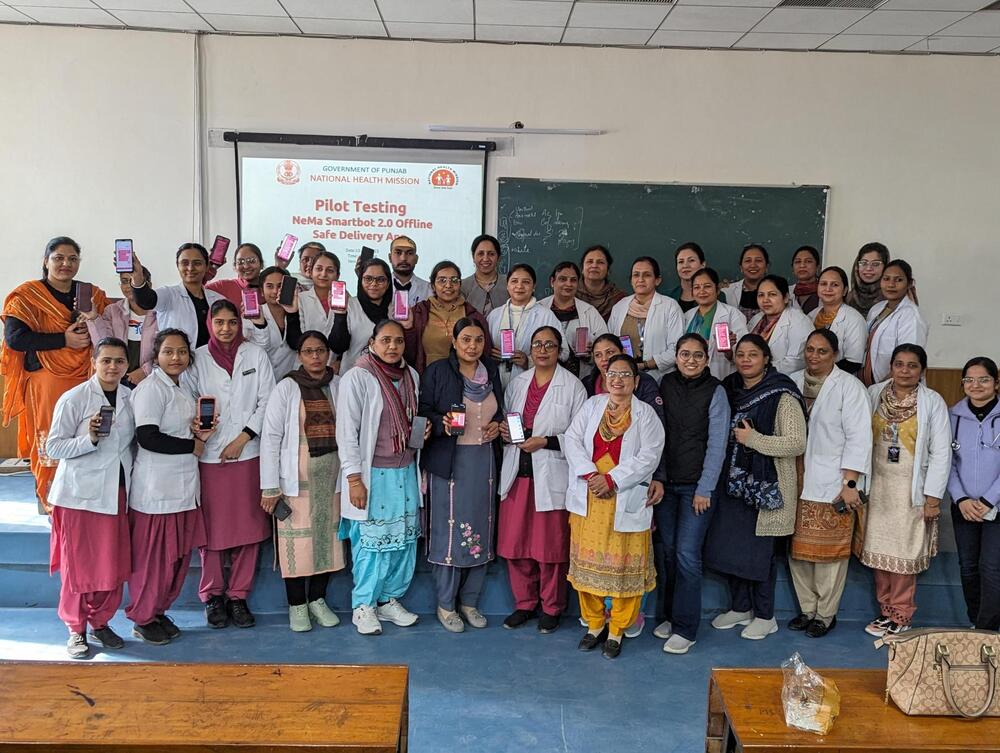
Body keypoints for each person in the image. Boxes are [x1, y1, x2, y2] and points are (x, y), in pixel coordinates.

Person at [704, 334, 806, 641]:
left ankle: (765, 615)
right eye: (741, 355)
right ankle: (740, 607)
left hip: (767, 487)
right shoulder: (730, 389)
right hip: (733, 484)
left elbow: (796, 442)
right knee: (733, 547)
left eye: (753, 354)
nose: (746, 360)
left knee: (760, 554)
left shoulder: (782, 394)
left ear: (766, 359)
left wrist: (754, 440)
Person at [563, 354, 664, 659]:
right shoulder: (592, 405)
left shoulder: (646, 415)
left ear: (636, 381)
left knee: (623, 569)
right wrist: (592, 474)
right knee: (587, 565)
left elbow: (650, 456)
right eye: (612, 374)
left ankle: (618, 629)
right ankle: (594, 625)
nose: (617, 380)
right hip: (590, 496)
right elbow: (572, 439)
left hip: (624, 496)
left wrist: (613, 479)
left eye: (625, 375)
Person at [2, 237, 110, 512]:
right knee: (52, 436)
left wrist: (94, 319)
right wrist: (63, 340)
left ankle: (84, 499)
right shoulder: (27, 296)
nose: (65, 264)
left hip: (87, 377)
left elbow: (109, 332)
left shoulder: (92, 294)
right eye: (59, 257)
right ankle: (51, 501)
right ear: (45, 260)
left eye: (72, 258)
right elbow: (15, 339)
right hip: (46, 380)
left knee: (87, 434)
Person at [45, 337, 134, 658]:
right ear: (94, 362)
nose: (112, 367)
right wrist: (90, 438)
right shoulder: (75, 398)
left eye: (119, 361)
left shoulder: (130, 397)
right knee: (79, 567)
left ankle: (100, 622)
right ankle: (75, 629)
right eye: (106, 360)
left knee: (113, 564)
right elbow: (53, 447)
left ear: (127, 366)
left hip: (116, 494)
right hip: (79, 498)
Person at [337, 320, 426, 635]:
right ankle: (363, 605)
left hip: (405, 471)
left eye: (398, 341)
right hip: (373, 474)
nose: (392, 347)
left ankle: (388, 600)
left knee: (403, 542)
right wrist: (353, 479)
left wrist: (420, 432)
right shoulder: (358, 377)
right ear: (372, 342)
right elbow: (347, 432)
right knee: (372, 544)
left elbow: (409, 421)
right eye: (386, 340)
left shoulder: (411, 376)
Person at [190, 300, 275, 630]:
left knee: (248, 530)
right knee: (211, 532)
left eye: (232, 322)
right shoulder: (196, 358)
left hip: (249, 453)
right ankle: (212, 596)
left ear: (241, 324)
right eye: (219, 322)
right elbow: (189, 401)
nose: (226, 328)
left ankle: (238, 596)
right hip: (209, 456)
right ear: (210, 323)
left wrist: (243, 438)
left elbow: (268, 399)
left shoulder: (255, 355)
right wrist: (202, 432)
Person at [498, 326, 587, 634]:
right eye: (537, 344)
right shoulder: (518, 382)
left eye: (550, 344)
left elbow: (580, 437)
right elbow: (507, 421)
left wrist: (545, 441)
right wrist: (505, 432)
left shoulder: (573, 386)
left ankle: (551, 607)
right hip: (518, 473)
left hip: (551, 475)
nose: (543, 350)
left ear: (559, 350)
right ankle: (524, 604)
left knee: (550, 549)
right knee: (516, 545)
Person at [419, 318, 505, 632]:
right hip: (449, 463)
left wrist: (497, 424)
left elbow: (499, 410)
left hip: (484, 463)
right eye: (466, 339)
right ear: (454, 342)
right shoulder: (439, 372)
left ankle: (469, 602)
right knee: (450, 533)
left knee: (482, 529)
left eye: (478, 340)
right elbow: (421, 410)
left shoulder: (491, 372)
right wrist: (438, 422)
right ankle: (446, 605)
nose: (472, 346)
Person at [126, 329, 209, 645]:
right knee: (153, 561)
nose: (176, 358)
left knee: (175, 560)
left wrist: (197, 434)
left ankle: (158, 611)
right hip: (156, 491)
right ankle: (143, 617)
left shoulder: (182, 387)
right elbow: (147, 437)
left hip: (184, 487)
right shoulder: (150, 390)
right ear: (156, 356)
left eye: (182, 352)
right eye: (169, 352)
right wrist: (191, 446)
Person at [787, 330, 872, 638]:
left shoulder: (850, 387)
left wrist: (850, 482)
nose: (814, 355)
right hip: (795, 480)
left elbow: (859, 439)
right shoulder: (792, 381)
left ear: (834, 354)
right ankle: (807, 609)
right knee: (798, 553)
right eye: (810, 349)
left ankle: (826, 614)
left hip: (832, 483)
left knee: (829, 555)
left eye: (822, 351)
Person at [861, 344, 950, 636]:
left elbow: (940, 453)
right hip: (878, 487)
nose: (905, 370)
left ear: (922, 370)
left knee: (903, 554)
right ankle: (885, 611)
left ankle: (902, 613)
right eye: (899, 364)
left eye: (912, 365)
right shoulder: (874, 394)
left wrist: (933, 497)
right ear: (891, 367)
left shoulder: (932, 401)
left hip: (910, 490)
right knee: (878, 551)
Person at [260, 331, 345, 633]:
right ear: (299, 355)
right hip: (295, 482)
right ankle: (297, 605)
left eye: (320, 350)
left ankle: (318, 600)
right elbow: (270, 437)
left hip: (331, 480)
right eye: (308, 351)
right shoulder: (286, 388)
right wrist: (270, 486)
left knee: (327, 543)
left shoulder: (338, 384)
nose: (315, 357)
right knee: (296, 545)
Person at [654, 334, 730, 654]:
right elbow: (655, 432)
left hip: (696, 490)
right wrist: (657, 477)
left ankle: (686, 628)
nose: (690, 360)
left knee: (687, 554)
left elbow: (717, 444)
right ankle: (671, 617)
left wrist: (705, 488)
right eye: (685, 354)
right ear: (676, 356)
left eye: (698, 356)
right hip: (666, 485)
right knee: (668, 553)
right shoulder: (664, 385)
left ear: (707, 359)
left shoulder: (716, 391)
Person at [948, 357, 1000, 631]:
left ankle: (987, 630)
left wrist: (989, 500)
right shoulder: (952, 416)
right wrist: (961, 499)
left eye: (984, 379)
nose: (975, 385)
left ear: (996, 383)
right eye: (969, 379)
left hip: (997, 506)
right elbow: (947, 462)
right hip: (964, 506)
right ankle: (976, 622)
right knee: (968, 567)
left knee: (990, 568)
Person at [403, 260, 491, 374]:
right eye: (442, 280)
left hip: (464, 379)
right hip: (428, 378)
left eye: (454, 280)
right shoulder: (419, 312)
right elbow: (408, 353)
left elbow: (485, 351)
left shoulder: (473, 315)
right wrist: (408, 328)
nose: (448, 285)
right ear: (433, 286)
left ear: (460, 285)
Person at [487, 263, 566, 389]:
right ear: (507, 285)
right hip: (495, 382)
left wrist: (529, 361)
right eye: (514, 281)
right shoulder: (494, 316)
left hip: (531, 382)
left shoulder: (545, 315)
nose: (519, 286)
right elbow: (482, 349)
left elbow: (563, 353)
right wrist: (490, 356)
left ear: (534, 286)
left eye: (526, 282)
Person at [130, 245, 224, 349]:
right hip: (177, 362)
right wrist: (137, 277)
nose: (190, 268)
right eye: (184, 263)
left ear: (206, 266)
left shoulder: (218, 300)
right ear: (177, 265)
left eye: (197, 263)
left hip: (210, 362)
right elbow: (146, 300)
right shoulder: (169, 295)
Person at [608, 256, 685, 382]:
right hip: (624, 377)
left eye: (647, 275)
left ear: (657, 280)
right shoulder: (620, 307)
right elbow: (610, 343)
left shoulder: (670, 306)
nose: (640, 280)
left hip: (659, 378)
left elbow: (678, 348)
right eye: (636, 275)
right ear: (631, 280)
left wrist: (645, 365)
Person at [85, 272, 158, 390]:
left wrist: (145, 371)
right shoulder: (113, 311)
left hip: (151, 381)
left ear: (148, 285)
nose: (129, 286)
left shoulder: (161, 313)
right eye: (124, 281)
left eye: (134, 280)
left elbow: (166, 350)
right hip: (117, 380)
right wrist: (93, 318)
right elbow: (104, 345)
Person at [537, 261, 609, 378]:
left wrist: (592, 352)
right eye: (563, 279)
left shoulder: (589, 312)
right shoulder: (539, 309)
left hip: (581, 379)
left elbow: (606, 346)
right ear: (552, 282)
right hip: (543, 377)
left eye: (573, 280)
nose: (568, 284)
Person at [863, 259, 928, 386]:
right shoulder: (876, 309)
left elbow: (908, 361)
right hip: (870, 384)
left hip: (897, 387)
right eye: (886, 279)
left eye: (898, 280)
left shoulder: (911, 316)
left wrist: (879, 388)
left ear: (909, 283)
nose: (891, 285)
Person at [329, 257, 393, 372]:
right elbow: (337, 347)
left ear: (388, 283)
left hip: (387, 376)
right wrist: (340, 315)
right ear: (360, 280)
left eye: (381, 279)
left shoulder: (396, 310)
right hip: (353, 376)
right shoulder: (348, 305)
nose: (374, 284)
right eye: (368, 278)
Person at [683, 268, 748, 380]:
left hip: (720, 377)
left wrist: (729, 351)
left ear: (717, 290)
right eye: (697, 287)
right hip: (689, 377)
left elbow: (744, 352)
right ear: (692, 292)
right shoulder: (687, 316)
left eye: (707, 286)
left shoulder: (732, 314)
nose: (702, 291)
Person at [244, 266, 302, 380]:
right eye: (269, 286)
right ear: (261, 291)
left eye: (280, 286)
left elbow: (299, 346)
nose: (275, 291)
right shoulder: (253, 315)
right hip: (262, 380)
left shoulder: (298, 312)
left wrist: (292, 313)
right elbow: (251, 353)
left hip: (292, 380)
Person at [747, 275, 813, 374]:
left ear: (786, 298)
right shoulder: (756, 319)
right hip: (754, 378)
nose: (765, 300)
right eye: (761, 295)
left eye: (772, 294)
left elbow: (796, 362)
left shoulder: (798, 320)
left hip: (785, 380)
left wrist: (760, 370)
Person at [810, 266, 866, 375]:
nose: (828, 289)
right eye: (823, 284)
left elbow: (854, 362)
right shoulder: (811, 315)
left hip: (839, 381)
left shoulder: (854, 319)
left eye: (834, 285)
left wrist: (823, 374)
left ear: (845, 290)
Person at [461, 234, 508, 316]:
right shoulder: (463, 286)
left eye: (491, 254)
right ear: (473, 256)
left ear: (499, 257)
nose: (486, 259)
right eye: (480, 254)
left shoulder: (510, 283)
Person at [577, 245, 627, 321]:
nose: (594, 266)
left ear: (608, 270)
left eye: (600, 262)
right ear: (582, 269)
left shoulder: (620, 299)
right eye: (589, 261)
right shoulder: (570, 295)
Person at [297, 250, 342, 337]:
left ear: (337, 275)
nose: (323, 274)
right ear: (311, 272)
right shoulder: (300, 299)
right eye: (319, 269)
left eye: (330, 270)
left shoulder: (346, 301)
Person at [723, 244, 769, 321]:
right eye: (748, 261)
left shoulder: (778, 292)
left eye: (758, 260)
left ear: (766, 267)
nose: (753, 265)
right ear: (741, 267)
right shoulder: (727, 292)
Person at [668, 242, 717, 314]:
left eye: (691, 260)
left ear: (703, 264)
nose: (685, 265)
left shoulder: (716, 294)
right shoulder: (668, 297)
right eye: (681, 262)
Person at [845, 241, 889, 318]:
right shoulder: (849, 298)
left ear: (885, 267)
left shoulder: (892, 298)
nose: (868, 268)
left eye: (875, 264)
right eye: (864, 263)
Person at [388, 236, 432, 304]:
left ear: (416, 259)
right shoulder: (378, 287)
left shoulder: (429, 289)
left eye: (409, 253)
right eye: (398, 253)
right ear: (390, 258)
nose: (403, 258)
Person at [789, 246, 821, 314]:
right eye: (798, 262)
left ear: (817, 267)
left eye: (808, 261)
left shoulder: (826, 291)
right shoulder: (787, 292)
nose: (802, 265)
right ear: (792, 268)